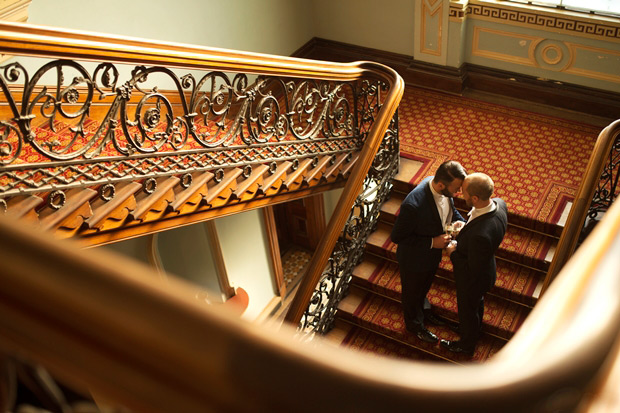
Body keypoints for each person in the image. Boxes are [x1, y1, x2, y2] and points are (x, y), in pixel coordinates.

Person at [390, 160, 467, 343]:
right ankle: (414, 324)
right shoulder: (413, 205)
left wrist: (458, 221)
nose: (458, 193)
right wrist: (432, 242)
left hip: (431, 256)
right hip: (414, 260)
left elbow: (450, 209)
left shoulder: (439, 186)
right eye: (456, 189)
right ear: (441, 185)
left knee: (423, 288)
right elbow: (397, 237)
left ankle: (424, 311)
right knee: (412, 293)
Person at [441, 172, 507, 356]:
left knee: (467, 308)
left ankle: (466, 344)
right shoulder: (500, 204)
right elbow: (478, 226)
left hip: (474, 279)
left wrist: (452, 252)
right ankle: (472, 328)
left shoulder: (481, 236)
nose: (461, 194)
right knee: (475, 303)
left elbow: (469, 269)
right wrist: (465, 229)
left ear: (475, 198)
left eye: (464, 193)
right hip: (486, 267)